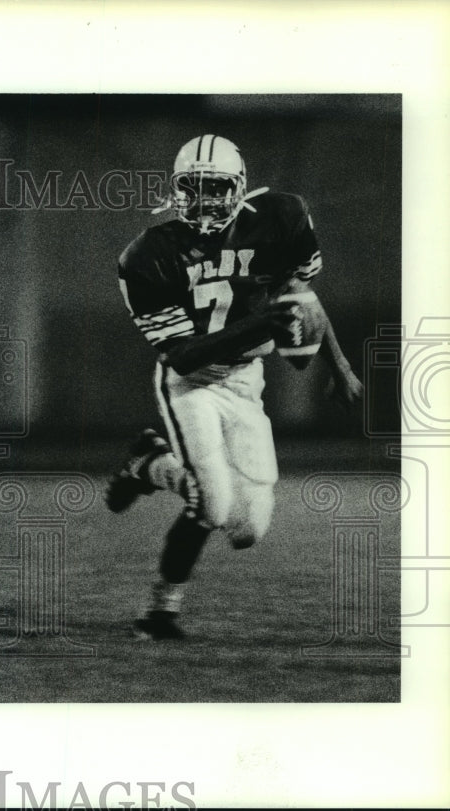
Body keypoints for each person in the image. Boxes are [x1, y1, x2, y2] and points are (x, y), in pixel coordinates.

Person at [106, 134, 364, 641]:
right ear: (177, 191)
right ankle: (162, 612)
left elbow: (300, 294)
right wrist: (261, 323)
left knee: (248, 529)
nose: (204, 202)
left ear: (239, 187)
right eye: (192, 189)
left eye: (216, 188)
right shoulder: (148, 254)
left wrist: (339, 365)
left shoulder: (281, 217)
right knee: (213, 503)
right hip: (191, 383)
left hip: (247, 380)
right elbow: (181, 354)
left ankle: (151, 463)